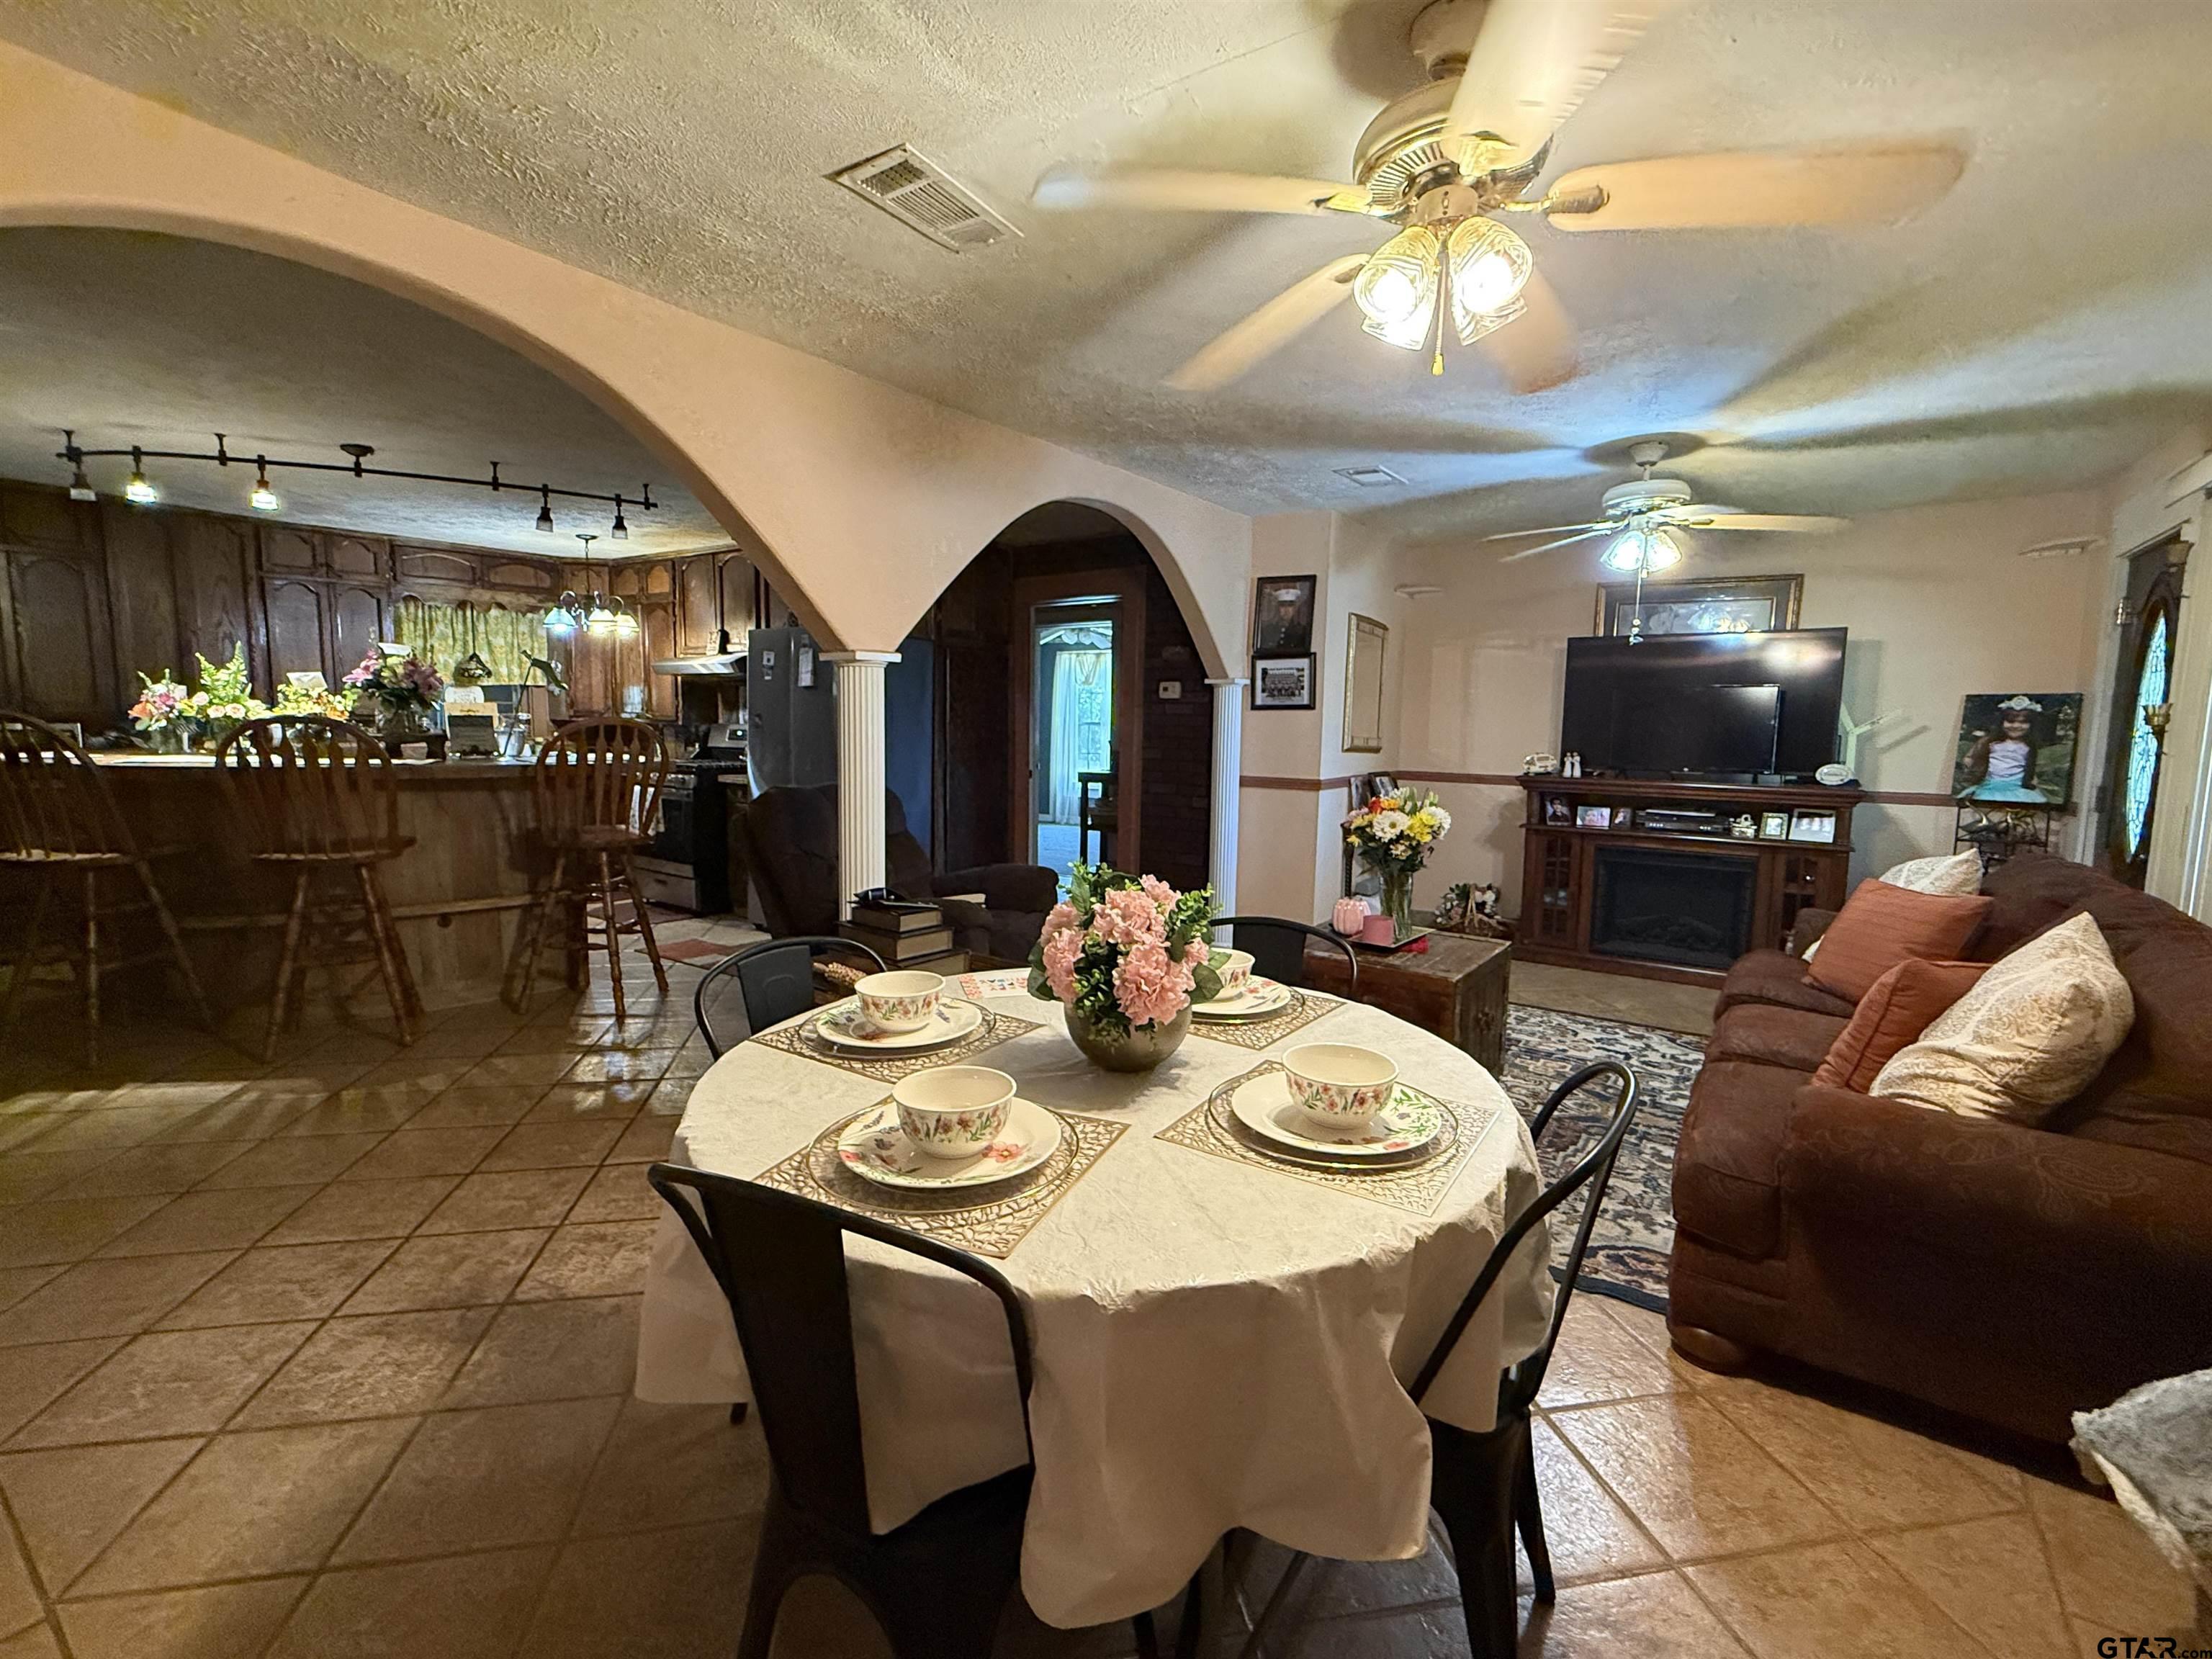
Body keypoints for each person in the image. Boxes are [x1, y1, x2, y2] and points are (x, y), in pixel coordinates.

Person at [1957, 698, 2049, 803]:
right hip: (1990, 787)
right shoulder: (1991, 742)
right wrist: (1979, 769)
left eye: (2023, 722)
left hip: (2017, 789)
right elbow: (1969, 759)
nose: (2016, 726)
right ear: (2002, 722)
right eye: (2010, 721)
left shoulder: (2028, 746)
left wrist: (2031, 780)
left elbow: (2029, 767)